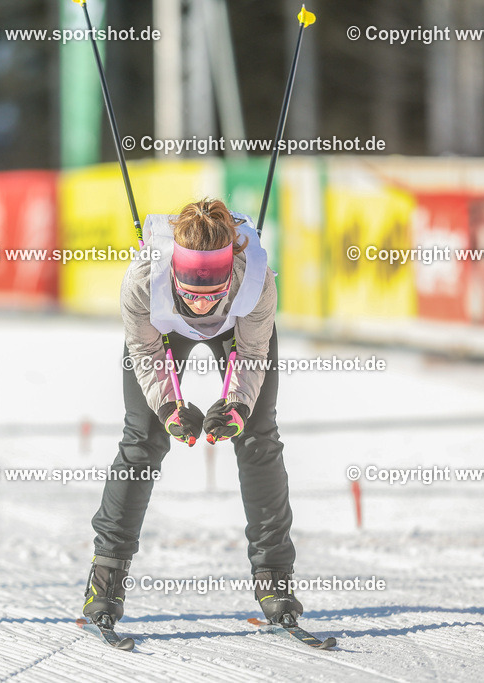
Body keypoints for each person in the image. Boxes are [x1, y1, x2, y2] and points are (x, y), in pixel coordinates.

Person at [83, 198, 302, 628]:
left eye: (212, 294)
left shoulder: (255, 279)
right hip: (163, 329)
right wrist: (168, 408)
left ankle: (274, 576)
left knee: (257, 435)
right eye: (192, 294)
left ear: (230, 272)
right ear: (174, 275)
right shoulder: (143, 280)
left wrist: (237, 408)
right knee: (143, 437)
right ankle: (105, 578)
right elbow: (146, 352)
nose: (201, 306)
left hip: (237, 328)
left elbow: (252, 353)